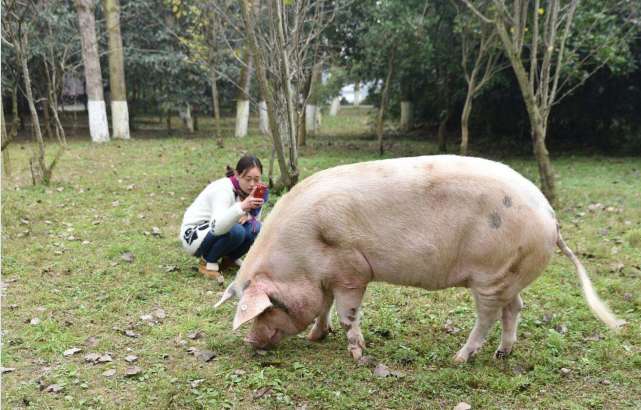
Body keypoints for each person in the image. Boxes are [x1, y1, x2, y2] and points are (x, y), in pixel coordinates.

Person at [179, 154, 268, 283]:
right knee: (237, 231)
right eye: (248, 179)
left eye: (256, 179)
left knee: (255, 228)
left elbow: (254, 222)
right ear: (237, 175)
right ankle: (207, 262)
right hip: (195, 234)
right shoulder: (223, 189)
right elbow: (217, 227)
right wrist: (241, 207)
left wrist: (249, 215)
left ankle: (229, 259)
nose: (252, 184)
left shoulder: (254, 192)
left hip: (218, 230)